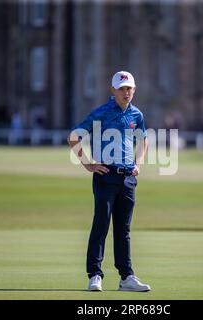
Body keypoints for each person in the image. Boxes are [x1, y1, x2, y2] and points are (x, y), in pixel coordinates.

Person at [67, 71, 151, 292]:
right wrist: (87, 164)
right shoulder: (101, 113)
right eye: (122, 88)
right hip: (105, 175)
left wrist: (138, 164)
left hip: (127, 178)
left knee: (123, 230)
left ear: (134, 90)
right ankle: (94, 275)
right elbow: (74, 136)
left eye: (129, 88)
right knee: (101, 224)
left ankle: (126, 278)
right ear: (112, 90)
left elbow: (144, 141)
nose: (126, 92)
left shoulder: (136, 115)